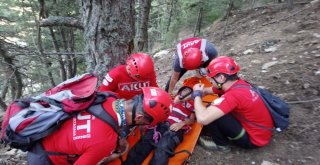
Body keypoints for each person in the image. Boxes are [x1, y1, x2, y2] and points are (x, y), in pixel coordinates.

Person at [27, 87, 172, 165]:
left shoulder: (108, 97)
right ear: (140, 118)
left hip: (42, 138)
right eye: (147, 123)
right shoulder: (105, 141)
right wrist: (108, 157)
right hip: (46, 160)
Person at [192, 56, 274, 151]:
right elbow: (208, 90)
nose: (210, 80)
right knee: (215, 108)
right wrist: (195, 92)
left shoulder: (232, 96)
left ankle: (221, 145)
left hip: (254, 140)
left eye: (211, 78)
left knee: (211, 109)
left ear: (221, 78)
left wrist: (196, 95)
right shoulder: (239, 84)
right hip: (263, 131)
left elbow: (202, 118)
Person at [123, 86, 195, 165]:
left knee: (163, 147)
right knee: (145, 142)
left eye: (188, 92)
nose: (185, 92)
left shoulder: (191, 105)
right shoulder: (169, 99)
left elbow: (192, 120)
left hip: (175, 129)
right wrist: (173, 101)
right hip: (160, 124)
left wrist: (181, 123)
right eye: (184, 90)